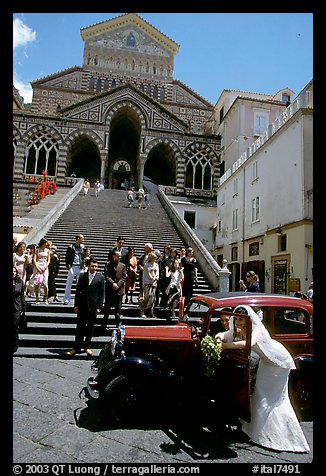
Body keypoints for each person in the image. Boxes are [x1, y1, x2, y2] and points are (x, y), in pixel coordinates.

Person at [216, 305, 310, 453]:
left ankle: (283, 435)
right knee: (260, 395)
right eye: (238, 319)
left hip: (278, 362)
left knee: (274, 399)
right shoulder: (241, 328)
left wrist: (225, 346)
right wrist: (219, 337)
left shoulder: (257, 330)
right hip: (266, 363)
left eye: (242, 320)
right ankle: (256, 432)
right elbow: (227, 333)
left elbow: (249, 344)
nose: (239, 323)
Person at [65, 260, 105, 357]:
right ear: (88, 266)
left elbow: (102, 293)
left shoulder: (100, 277)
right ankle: (76, 348)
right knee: (80, 328)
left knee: (90, 328)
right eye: (92, 266)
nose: (94, 268)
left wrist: (99, 307)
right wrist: (76, 305)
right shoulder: (82, 276)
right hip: (82, 305)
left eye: (95, 266)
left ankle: (87, 347)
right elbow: (78, 291)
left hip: (93, 306)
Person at [102, 250, 127, 329]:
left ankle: (118, 323)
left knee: (118, 308)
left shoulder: (123, 265)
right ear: (113, 256)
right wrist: (113, 283)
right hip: (110, 288)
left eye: (120, 256)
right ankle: (104, 324)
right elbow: (106, 275)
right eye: (117, 256)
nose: (119, 257)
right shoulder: (108, 264)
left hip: (119, 290)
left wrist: (118, 284)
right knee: (107, 307)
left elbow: (124, 277)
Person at [63, 234, 85, 305]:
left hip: (80, 267)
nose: (83, 240)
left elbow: (83, 256)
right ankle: (66, 299)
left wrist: (83, 264)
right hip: (72, 266)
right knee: (69, 284)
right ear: (78, 239)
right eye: (82, 238)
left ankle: (80, 300)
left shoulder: (82, 247)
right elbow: (67, 257)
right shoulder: (70, 247)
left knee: (80, 285)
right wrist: (68, 265)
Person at [31, 238, 51, 304]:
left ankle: (45, 298)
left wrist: (45, 267)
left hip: (44, 266)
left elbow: (48, 260)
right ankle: (37, 298)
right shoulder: (37, 250)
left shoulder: (47, 250)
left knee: (45, 283)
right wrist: (37, 267)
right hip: (38, 265)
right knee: (37, 283)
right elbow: (34, 259)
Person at [140, 251, 159, 318]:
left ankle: (151, 311)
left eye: (155, 258)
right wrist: (151, 279)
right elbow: (147, 273)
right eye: (154, 258)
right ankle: (142, 311)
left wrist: (155, 279)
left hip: (154, 283)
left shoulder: (156, 265)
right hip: (147, 282)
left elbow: (157, 274)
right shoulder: (146, 265)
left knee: (153, 298)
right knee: (146, 298)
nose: (155, 259)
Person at [13, 266, 26, 353]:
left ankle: (15, 344)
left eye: (14, 271)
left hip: (16, 306)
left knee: (14, 326)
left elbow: (21, 295)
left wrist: (24, 308)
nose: (13, 273)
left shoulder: (19, 282)